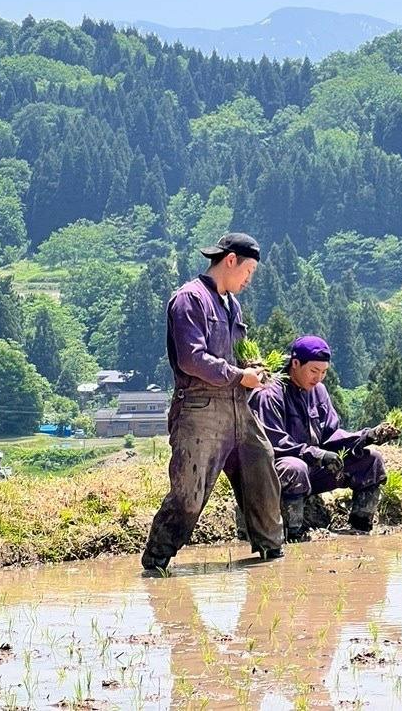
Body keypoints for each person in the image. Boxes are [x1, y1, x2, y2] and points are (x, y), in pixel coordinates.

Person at [141, 232, 285, 573]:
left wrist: (252, 369)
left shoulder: (231, 304)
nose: (249, 279)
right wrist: (239, 375)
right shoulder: (189, 299)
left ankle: (272, 553)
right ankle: (156, 561)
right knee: (189, 495)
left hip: (237, 406)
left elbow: (235, 355)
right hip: (200, 409)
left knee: (261, 466)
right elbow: (192, 359)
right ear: (231, 261)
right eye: (248, 271)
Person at [249, 334, 401, 539]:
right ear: (295, 363)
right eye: (314, 371)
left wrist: (366, 437)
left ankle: (360, 530)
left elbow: (332, 434)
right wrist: (316, 454)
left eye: (324, 372)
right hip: (278, 473)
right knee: (295, 467)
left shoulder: (318, 391)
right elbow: (275, 443)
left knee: (372, 460)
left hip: (313, 469)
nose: (319, 378)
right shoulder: (269, 394)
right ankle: (293, 536)